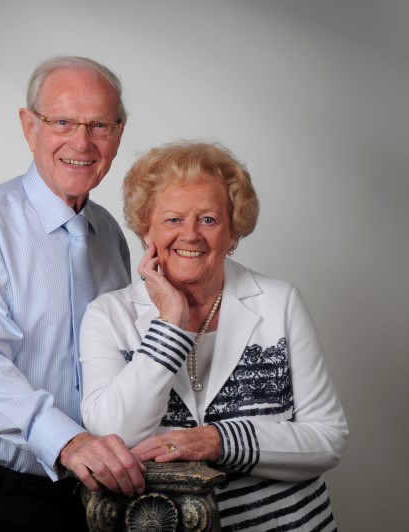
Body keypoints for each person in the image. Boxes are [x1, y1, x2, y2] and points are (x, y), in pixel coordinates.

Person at [0, 56, 146, 532]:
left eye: (99, 125)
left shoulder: (110, 235)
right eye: (62, 121)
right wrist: (68, 442)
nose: (81, 143)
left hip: (87, 501)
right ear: (30, 127)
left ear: (119, 134)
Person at [80, 140, 349, 531]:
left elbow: (327, 440)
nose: (190, 235)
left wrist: (218, 440)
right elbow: (114, 436)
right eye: (173, 219)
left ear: (233, 231)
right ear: (146, 229)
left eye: (208, 219)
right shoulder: (107, 315)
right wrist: (170, 324)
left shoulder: (280, 302)